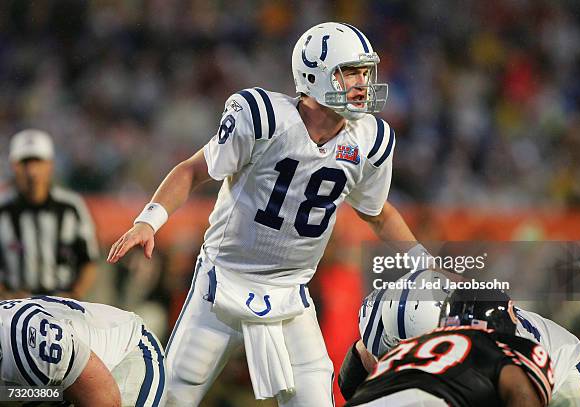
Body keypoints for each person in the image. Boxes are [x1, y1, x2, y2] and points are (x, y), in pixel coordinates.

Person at [107, 21, 429, 406]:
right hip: (222, 284)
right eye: (349, 73)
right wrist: (149, 220)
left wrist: (421, 261)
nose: (362, 83)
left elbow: (377, 213)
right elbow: (193, 170)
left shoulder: (369, 140)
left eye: (365, 72)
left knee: (314, 397)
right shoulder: (262, 118)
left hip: (290, 293)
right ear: (315, 75)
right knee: (173, 395)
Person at [342, 273, 580, 406]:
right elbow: (355, 373)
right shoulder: (390, 312)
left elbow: (519, 393)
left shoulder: (501, 342)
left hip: (559, 367)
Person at [0, 295, 166, 406]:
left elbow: (106, 401)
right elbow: (29, 393)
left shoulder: (28, 341)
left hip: (122, 357)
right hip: (62, 386)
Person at [0, 129, 99, 300]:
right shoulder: (3, 209)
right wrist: (6, 295)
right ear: (14, 166)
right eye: (25, 163)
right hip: (13, 307)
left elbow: (89, 260)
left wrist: (74, 295)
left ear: (50, 165)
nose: (32, 171)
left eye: (37, 162)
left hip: (61, 305)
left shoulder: (70, 206)